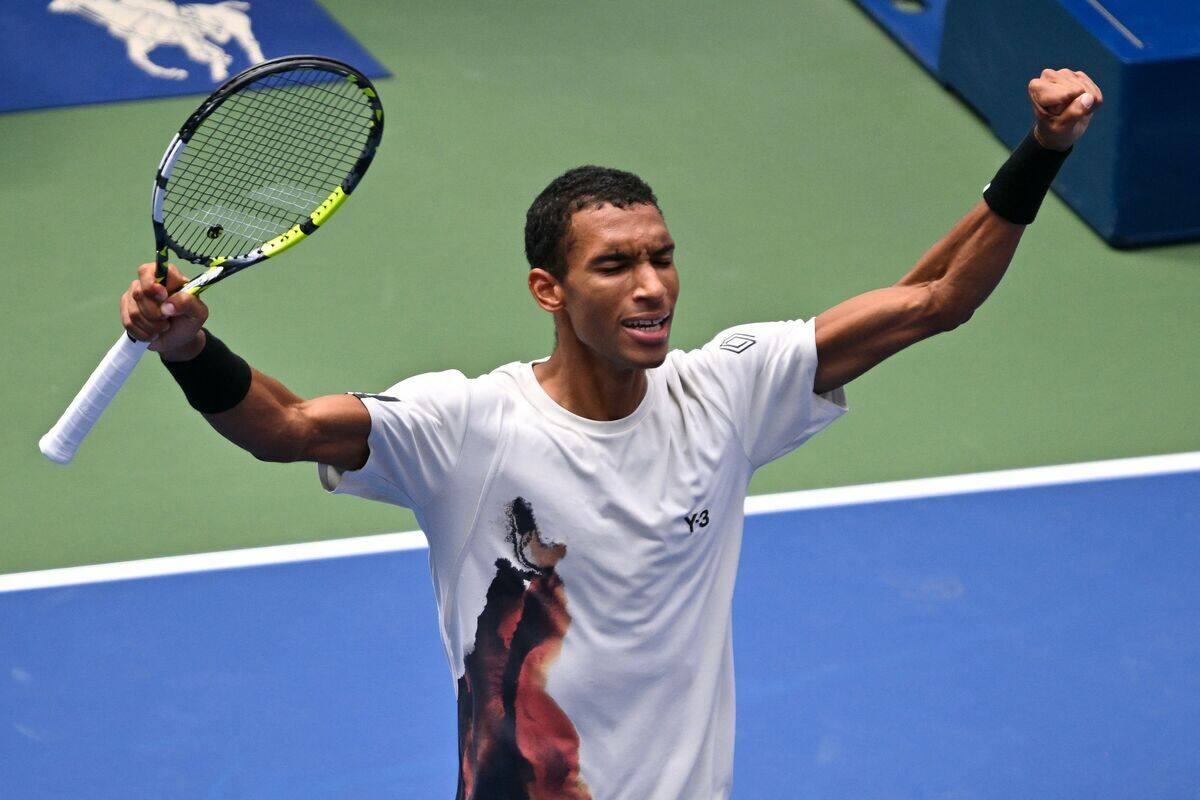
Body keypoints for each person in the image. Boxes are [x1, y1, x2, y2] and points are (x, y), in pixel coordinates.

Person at [120, 68, 1102, 800]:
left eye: (663, 258)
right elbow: (286, 428)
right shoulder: (468, 428)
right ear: (550, 289)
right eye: (615, 264)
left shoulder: (726, 390)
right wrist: (191, 348)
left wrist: (1042, 151)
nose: (652, 285)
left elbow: (932, 299)